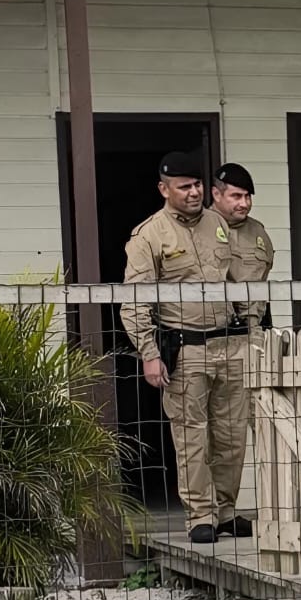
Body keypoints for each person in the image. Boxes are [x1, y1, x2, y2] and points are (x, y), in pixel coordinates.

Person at [121, 151, 248, 544]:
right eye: (184, 187)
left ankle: (226, 511)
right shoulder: (150, 235)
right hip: (184, 348)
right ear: (164, 189)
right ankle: (199, 516)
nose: (193, 193)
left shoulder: (220, 224)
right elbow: (134, 301)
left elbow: (240, 279)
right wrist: (149, 353)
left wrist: (250, 331)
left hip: (229, 342)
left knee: (231, 435)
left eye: (197, 185)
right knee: (192, 437)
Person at [207, 161, 274, 536]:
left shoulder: (258, 235)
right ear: (216, 194)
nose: (243, 203)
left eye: (247, 196)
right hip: (208, 339)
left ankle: (228, 511)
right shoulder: (197, 232)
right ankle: (204, 515)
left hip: (250, 340)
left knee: (241, 433)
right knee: (204, 436)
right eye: (235, 195)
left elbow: (263, 288)